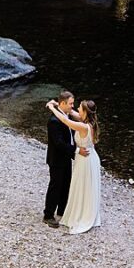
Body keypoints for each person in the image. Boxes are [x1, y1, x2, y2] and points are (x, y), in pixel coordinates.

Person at [45, 98, 102, 234]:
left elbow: (65, 120)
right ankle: (74, 211)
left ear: (85, 112)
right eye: (72, 104)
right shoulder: (89, 121)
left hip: (85, 158)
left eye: (79, 108)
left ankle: (81, 214)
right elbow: (69, 113)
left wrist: (52, 108)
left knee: (81, 186)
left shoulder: (83, 126)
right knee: (82, 186)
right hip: (88, 157)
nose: (76, 109)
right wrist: (58, 105)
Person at [42, 91, 82, 226]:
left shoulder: (65, 114)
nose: (72, 106)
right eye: (70, 103)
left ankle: (62, 211)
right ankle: (48, 214)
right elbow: (59, 143)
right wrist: (76, 151)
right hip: (57, 159)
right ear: (63, 103)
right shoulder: (54, 121)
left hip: (66, 158)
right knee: (55, 186)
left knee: (66, 185)